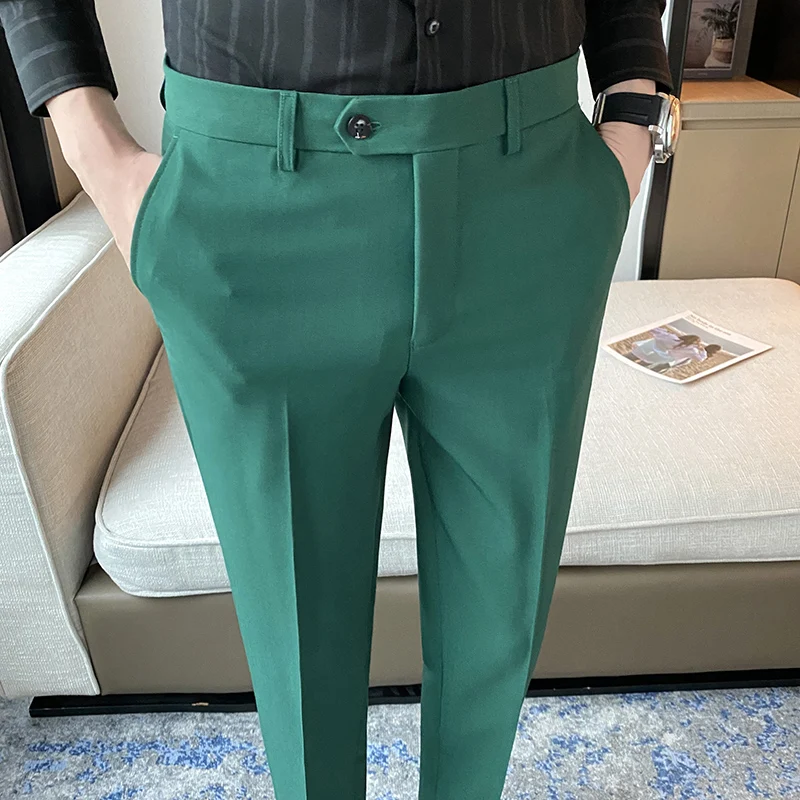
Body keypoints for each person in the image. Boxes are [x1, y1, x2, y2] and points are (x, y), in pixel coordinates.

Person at [0, 2, 677, 798]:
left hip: (529, 194)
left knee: (500, 616)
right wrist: (96, 152)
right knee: (296, 644)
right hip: (250, 202)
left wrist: (633, 109)